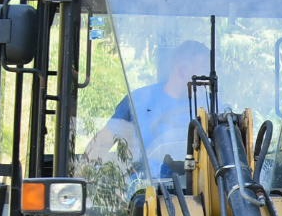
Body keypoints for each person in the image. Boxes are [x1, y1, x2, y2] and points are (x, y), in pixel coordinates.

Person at [86, 40, 209, 179]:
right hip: (142, 192)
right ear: (182, 70)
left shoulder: (211, 107)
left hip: (200, 192)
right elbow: (100, 145)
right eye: (203, 71)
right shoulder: (138, 101)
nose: (207, 80)